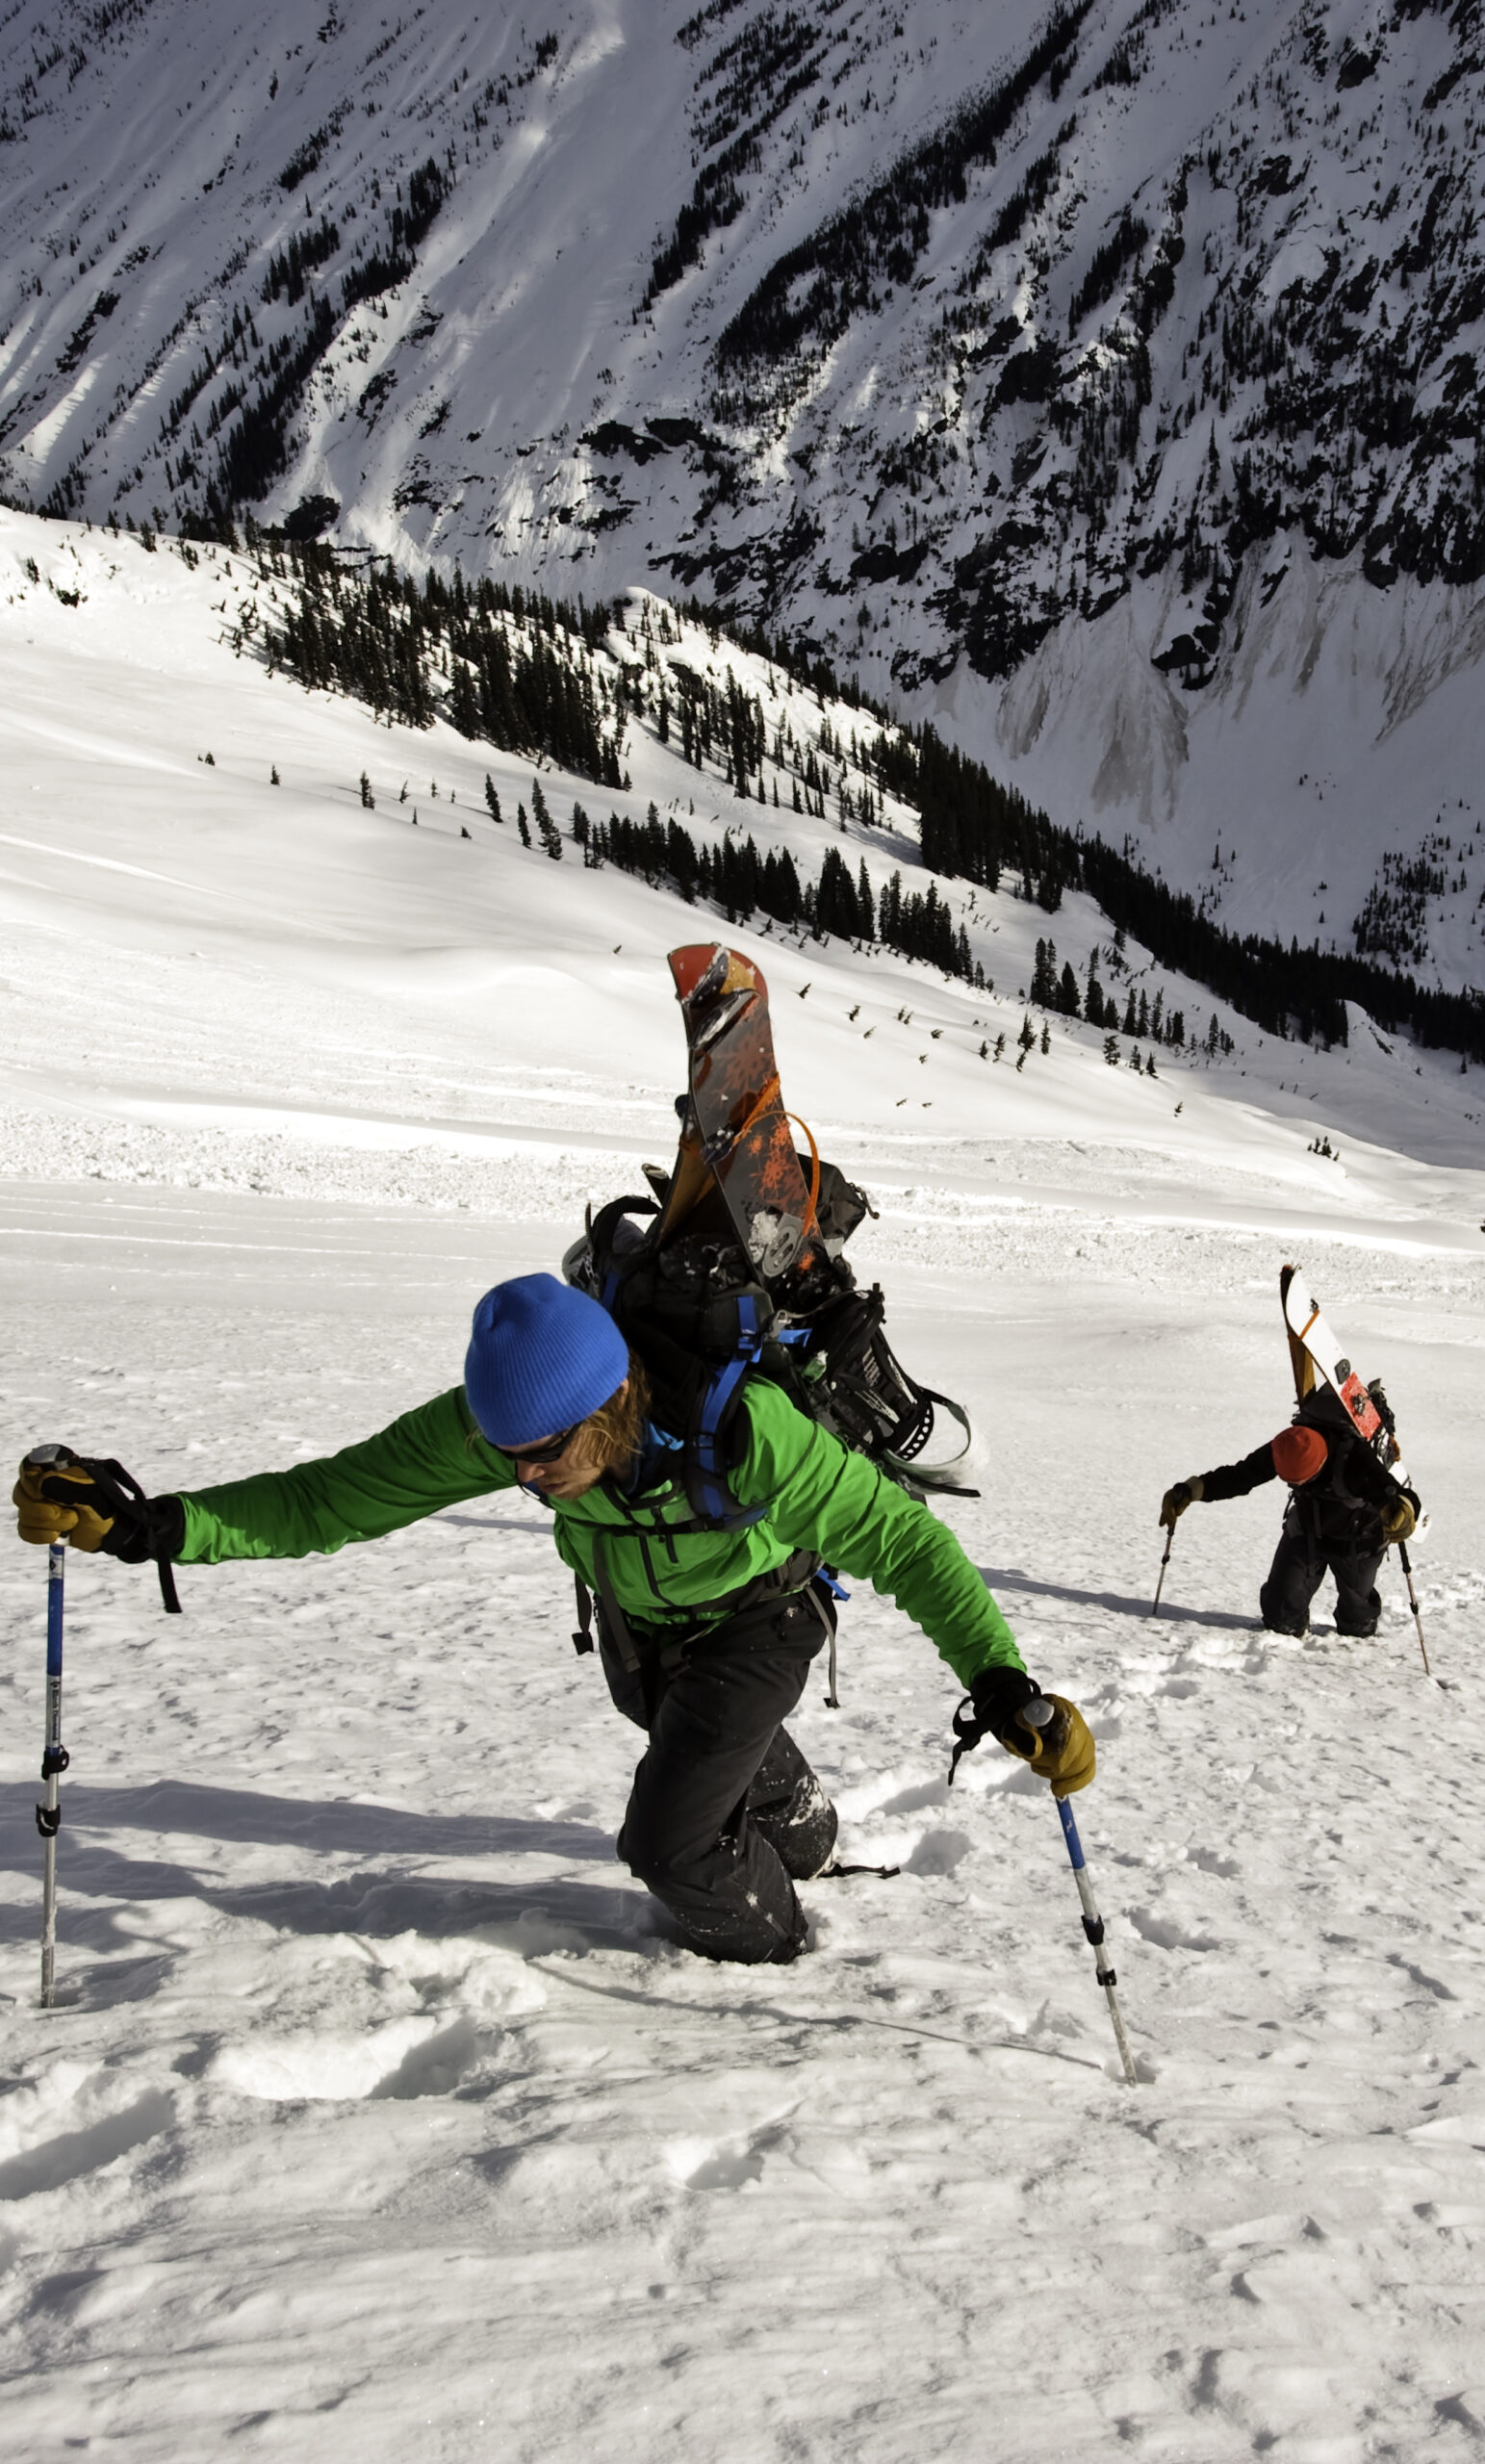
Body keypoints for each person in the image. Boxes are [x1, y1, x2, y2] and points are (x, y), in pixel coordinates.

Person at [14, 1272, 1093, 1966]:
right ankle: (805, 1832)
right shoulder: (505, 1425)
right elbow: (326, 1500)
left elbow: (903, 1542)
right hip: (638, 1631)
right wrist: (155, 1524)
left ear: (613, 1400)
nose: (524, 1477)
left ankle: (784, 1958)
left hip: (761, 1618)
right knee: (681, 1733)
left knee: (669, 1844)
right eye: (510, 1455)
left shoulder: (748, 1429)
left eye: (544, 1455)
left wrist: (998, 1679)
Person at [1160, 1380, 1420, 1639]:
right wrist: (1192, 1490)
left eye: (1297, 1482)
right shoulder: (1289, 1445)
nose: (1290, 1484)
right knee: (1280, 1616)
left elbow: (1395, 1492)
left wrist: (1404, 1510)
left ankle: (1358, 1636)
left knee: (1356, 1623)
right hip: (1310, 1530)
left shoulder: (1355, 1461)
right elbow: (1242, 1475)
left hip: (1359, 1538)